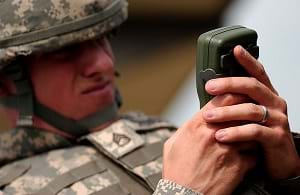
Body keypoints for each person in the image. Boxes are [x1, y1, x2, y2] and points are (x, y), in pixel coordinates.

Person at [0, 0, 299, 195]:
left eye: (103, 38)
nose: (103, 64)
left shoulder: (183, 140)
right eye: (66, 52)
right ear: (8, 81)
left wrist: (288, 176)